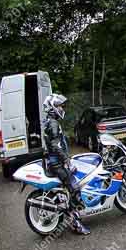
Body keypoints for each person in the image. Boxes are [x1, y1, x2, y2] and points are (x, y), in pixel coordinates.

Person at [42, 94, 90, 236]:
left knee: (73, 185)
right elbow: (56, 146)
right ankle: (75, 224)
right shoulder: (53, 123)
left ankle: (76, 215)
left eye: (62, 106)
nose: (62, 109)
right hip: (56, 163)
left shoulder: (50, 121)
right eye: (59, 106)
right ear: (52, 107)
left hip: (55, 161)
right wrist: (67, 161)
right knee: (73, 188)